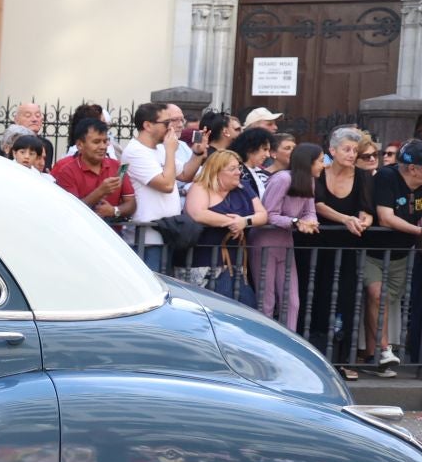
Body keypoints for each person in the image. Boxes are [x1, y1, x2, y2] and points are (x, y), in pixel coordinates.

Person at [298, 126, 376, 380]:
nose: (352, 154)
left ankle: (344, 360)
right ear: (332, 151)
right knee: (314, 299)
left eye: (355, 150)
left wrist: (363, 220)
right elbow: (317, 204)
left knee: (346, 300)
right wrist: (345, 218)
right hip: (315, 248)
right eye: (347, 149)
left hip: (348, 248)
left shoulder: (363, 177)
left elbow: (367, 208)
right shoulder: (320, 173)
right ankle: (313, 357)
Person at [367, 140, 422, 375]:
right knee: (376, 294)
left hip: (401, 254)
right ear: (413, 168)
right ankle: (383, 352)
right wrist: (420, 232)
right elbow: (385, 217)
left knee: (384, 301)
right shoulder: (386, 176)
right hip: (372, 252)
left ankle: (375, 356)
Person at [257, 142, 322, 330]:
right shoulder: (282, 179)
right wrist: (295, 222)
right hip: (265, 243)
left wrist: (310, 221)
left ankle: (289, 348)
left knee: (292, 302)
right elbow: (268, 214)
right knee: (266, 302)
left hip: (285, 243)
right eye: (319, 161)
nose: (323, 165)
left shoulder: (309, 181)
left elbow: (310, 211)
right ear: (307, 163)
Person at [185, 149, 267, 296]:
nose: (238, 172)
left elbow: (262, 215)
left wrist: (244, 221)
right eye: (232, 169)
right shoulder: (201, 186)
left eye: (239, 168)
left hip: (237, 263)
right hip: (205, 262)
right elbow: (198, 213)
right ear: (216, 170)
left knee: (244, 305)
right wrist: (233, 222)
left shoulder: (244, 187)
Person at [123, 102, 185, 270]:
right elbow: (166, 184)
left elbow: (186, 174)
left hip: (167, 233)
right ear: (148, 125)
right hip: (147, 238)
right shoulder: (135, 151)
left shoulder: (161, 149)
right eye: (166, 123)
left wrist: (199, 153)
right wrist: (171, 151)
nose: (170, 127)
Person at [51, 118, 133, 225]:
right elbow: (72, 211)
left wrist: (114, 211)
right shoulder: (67, 171)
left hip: (114, 238)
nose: (103, 146)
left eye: (105, 141)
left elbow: (131, 204)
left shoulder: (117, 165)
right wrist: (100, 192)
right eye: (96, 142)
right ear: (80, 145)